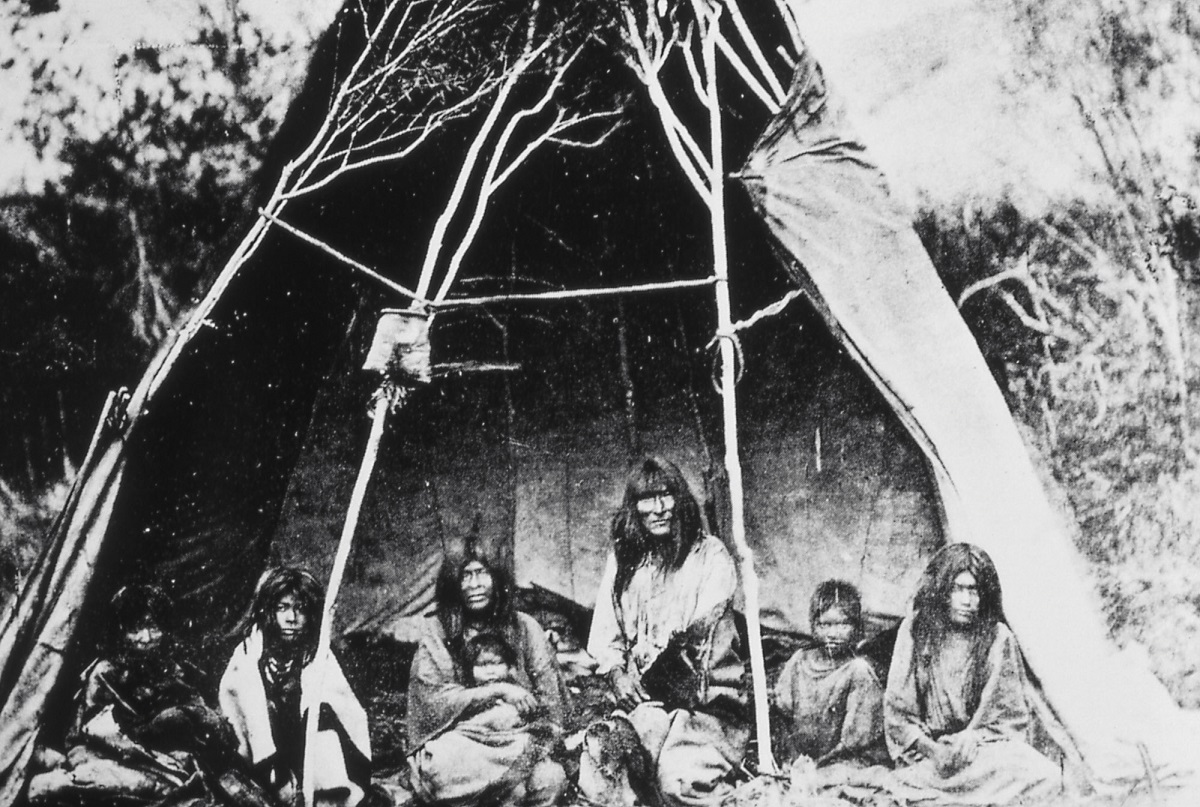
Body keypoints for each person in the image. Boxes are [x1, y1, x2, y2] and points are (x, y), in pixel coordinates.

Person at [587, 456, 748, 807]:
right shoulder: (626, 560)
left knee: (679, 783)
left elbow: (698, 644)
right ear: (634, 507)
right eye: (647, 499)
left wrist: (652, 681)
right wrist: (617, 673)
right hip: (644, 702)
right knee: (604, 780)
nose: (659, 509)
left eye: (666, 496)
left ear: (681, 501)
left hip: (703, 705)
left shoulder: (710, 557)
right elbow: (605, 634)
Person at [28, 585, 264, 806]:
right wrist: (151, 732)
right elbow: (89, 731)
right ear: (121, 632)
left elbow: (200, 713)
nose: (146, 637)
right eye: (136, 629)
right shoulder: (104, 673)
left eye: (153, 627)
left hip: (175, 758)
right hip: (116, 756)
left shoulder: (174, 668)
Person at [884, 543, 1063, 805]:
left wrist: (973, 737)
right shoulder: (916, 628)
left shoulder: (997, 637)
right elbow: (898, 715)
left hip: (980, 755)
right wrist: (933, 751)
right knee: (902, 784)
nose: (967, 601)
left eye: (975, 590)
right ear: (942, 590)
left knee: (1047, 776)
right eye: (958, 589)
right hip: (929, 757)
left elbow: (1008, 719)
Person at [406, 539, 568, 807]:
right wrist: (498, 690)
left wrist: (523, 720)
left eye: (482, 573)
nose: (475, 584)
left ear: (497, 578)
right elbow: (432, 701)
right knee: (440, 767)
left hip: (517, 737)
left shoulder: (525, 627)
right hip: (462, 746)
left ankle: (506, 786)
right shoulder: (437, 630)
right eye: (466, 576)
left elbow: (550, 697)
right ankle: (506, 787)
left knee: (550, 778)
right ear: (453, 584)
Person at [219, 567, 373, 807]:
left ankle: (327, 798)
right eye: (282, 608)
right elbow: (240, 715)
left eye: (300, 608)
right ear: (268, 611)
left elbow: (346, 713)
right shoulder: (248, 656)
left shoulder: (317, 656)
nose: (292, 618)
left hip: (315, 761)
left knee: (319, 711)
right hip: (266, 764)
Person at [773, 580, 888, 770]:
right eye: (825, 625)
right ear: (813, 625)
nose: (833, 634)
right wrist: (793, 757)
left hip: (844, 761)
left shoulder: (858, 671)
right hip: (802, 758)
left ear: (856, 627)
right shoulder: (800, 661)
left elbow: (857, 740)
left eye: (843, 625)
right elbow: (782, 714)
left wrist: (820, 765)